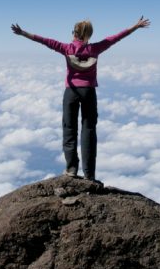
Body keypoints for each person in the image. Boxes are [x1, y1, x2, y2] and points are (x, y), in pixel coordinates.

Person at [11, 16, 151, 181]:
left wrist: (23, 33)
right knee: (89, 131)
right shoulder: (95, 49)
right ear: (88, 35)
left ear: (75, 33)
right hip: (88, 92)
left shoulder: (66, 48)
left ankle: (71, 169)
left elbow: (44, 41)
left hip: (71, 92)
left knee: (69, 130)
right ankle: (89, 174)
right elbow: (116, 38)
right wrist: (135, 26)